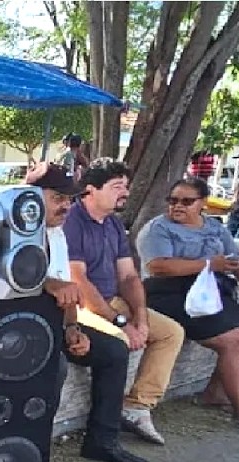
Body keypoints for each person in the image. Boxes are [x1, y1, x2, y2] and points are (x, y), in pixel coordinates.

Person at [27, 162, 149, 462]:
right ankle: (33, 461)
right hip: (19, 329)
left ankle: (102, 441)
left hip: (54, 325)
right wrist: (47, 285)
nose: (66, 205)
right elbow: (1, 282)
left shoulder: (58, 233)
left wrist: (72, 330)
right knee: (54, 371)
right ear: (30, 197)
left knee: (112, 350)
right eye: (57, 197)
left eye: (69, 197)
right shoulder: (9, 231)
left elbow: (69, 292)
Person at [136, 177, 239, 433]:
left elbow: (233, 256)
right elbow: (158, 266)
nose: (178, 206)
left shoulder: (214, 227)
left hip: (210, 290)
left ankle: (214, 391)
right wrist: (209, 264)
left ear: (202, 203)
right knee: (233, 341)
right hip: (171, 293)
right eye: (173, 201)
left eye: (187, 202)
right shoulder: (159, 228)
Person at [64, 158, 186, 446]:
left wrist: (140, 319)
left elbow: (130, 276)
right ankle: (102, 434)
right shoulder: (73, 221)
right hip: (82, 306)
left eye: (126, 187)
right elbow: (78, 280)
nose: (125, 193)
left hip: (114, 300)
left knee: (171, 332)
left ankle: (137, 406)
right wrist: (121, 322)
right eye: (117, 186)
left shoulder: (114, 225)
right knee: (117, 342)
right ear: (90, 190)